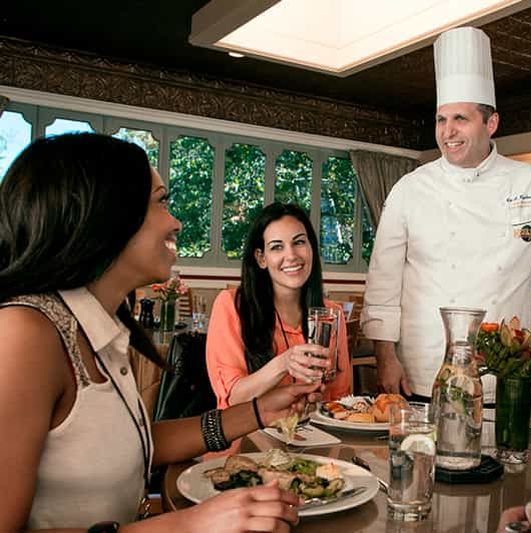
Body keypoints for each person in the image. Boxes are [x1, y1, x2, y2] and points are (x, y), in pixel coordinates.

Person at [0, 133, 319, 532]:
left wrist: (258, 412)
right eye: (161, 202)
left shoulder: (99, 325)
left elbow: (132, 442)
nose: (176, 222)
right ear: (105, 214)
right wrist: (185, 525)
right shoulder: (25, 333)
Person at [361, 27, 531, 401]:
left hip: (506, 372)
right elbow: (383, 284)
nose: (448, 132)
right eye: (441, 120)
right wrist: (385, 358)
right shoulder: (409, 189)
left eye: (460, 119)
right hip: (422, 371)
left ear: (491, 123)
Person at [206, 202, 351, 409]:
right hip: (253, 430)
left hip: (315, 428)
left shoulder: (331, 314)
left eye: (299, 242)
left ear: (312, 248)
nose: (291, 255)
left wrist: (318, 404)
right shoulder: (232, 305)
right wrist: (284, 363)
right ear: (261, 258)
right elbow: (233, 398)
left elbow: (339, 398)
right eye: (277, 247)